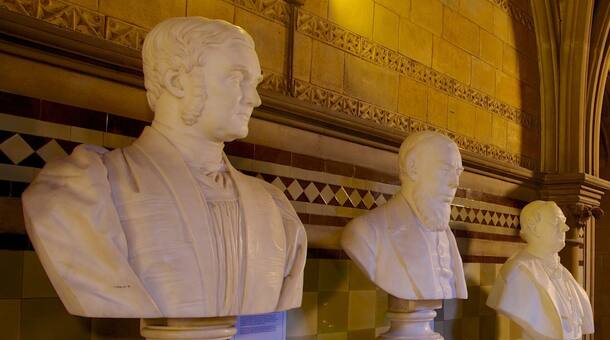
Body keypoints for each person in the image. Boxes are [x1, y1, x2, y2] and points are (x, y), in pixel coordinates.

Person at [22, 17, 306, 318]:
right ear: (177, 81)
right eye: (237, 79)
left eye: (254, 84)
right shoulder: (79, 192)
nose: (254, 99)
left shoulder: (274, 208)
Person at [341, 131, 468, 301]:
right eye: (445, 169)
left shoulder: (447, 237)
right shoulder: (365, 233)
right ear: (412, 167)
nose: (455, 182)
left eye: (458, 172)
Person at [487, 201, 594, 340]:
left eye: (563, 222)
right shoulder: (517, 272)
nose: (566, 227)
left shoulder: (564, 273)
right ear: (533, 227)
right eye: (556, 222)